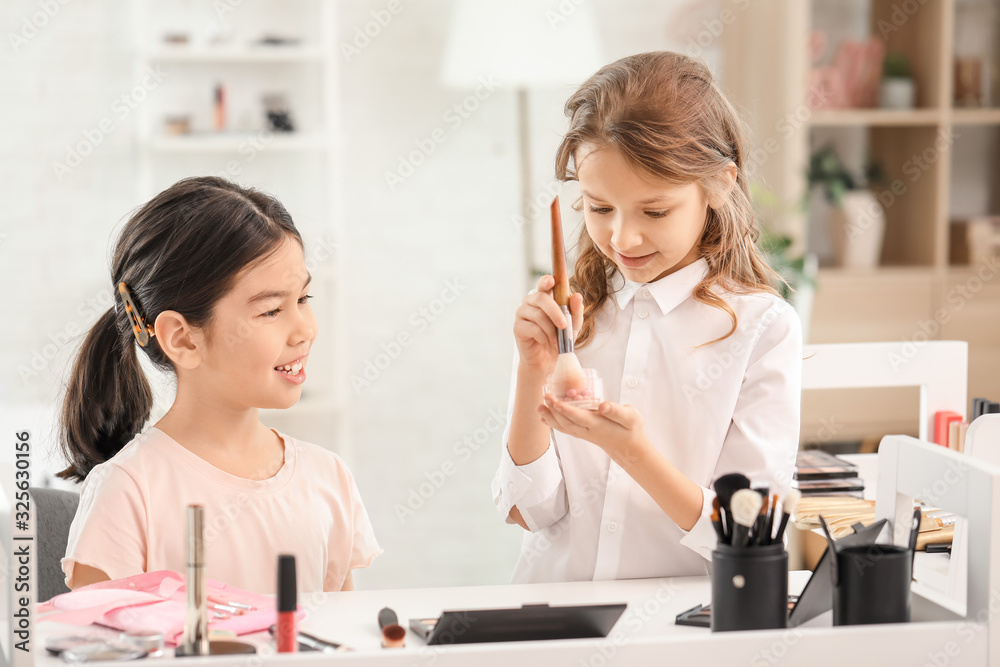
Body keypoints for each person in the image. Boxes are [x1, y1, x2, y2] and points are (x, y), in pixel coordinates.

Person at [492, 52, 802, 583]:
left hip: (679, 628)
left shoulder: (761, 330)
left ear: (720, 185)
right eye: (599, 208)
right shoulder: (572, 314)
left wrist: (630, 451)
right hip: (553, 619)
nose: (622, 239)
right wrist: (531, 372)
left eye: (654, 212)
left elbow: (746, 535)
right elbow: (528, 512)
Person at [59, 176, 380, 594]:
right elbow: (100, 653)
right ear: (183, 338)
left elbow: (346, 647)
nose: (304, 330)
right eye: (270, 311)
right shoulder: (129, 491)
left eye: (302, 300)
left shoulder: (328, 478)